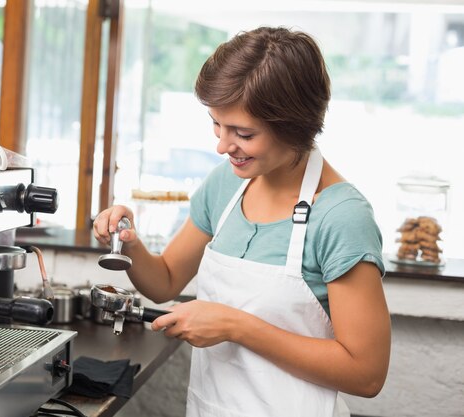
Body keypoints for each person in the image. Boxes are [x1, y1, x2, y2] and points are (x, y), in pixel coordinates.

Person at [93, 26, 391, 417]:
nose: (222, 145)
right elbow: (165, 281)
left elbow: (366, 374)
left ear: (295, 126)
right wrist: (128, 242)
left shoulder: (340, 216)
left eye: (243, 133)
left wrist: (236, 327)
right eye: (217, 125)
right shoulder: (227, 186)